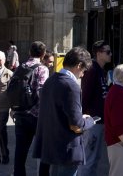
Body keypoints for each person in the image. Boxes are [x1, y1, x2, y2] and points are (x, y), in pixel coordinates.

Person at [35, 47, 94, 176]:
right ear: (79, 65)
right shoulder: (71, 86)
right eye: (83, 70)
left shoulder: (50, 80)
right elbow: (76, 124)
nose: (83, 75)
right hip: (66, 149)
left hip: (51, 146)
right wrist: (90, 121)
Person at [13, 41, 52, 176]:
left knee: (20, 152)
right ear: (43, 54)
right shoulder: (42, 68)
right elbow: (42, 91)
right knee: (43, 150)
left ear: (30, 52)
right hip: (36, 116)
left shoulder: (20, 66)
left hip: (20, 114)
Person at [79, 41, 113, 176]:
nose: (111, 55)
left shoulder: (100, 70)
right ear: (99, 54)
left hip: (99, 120)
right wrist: (84, 119)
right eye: (108, 52)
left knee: (95, 158)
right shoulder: (92, 70)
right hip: (93, 121)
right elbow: (85, 95)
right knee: (89, 159)